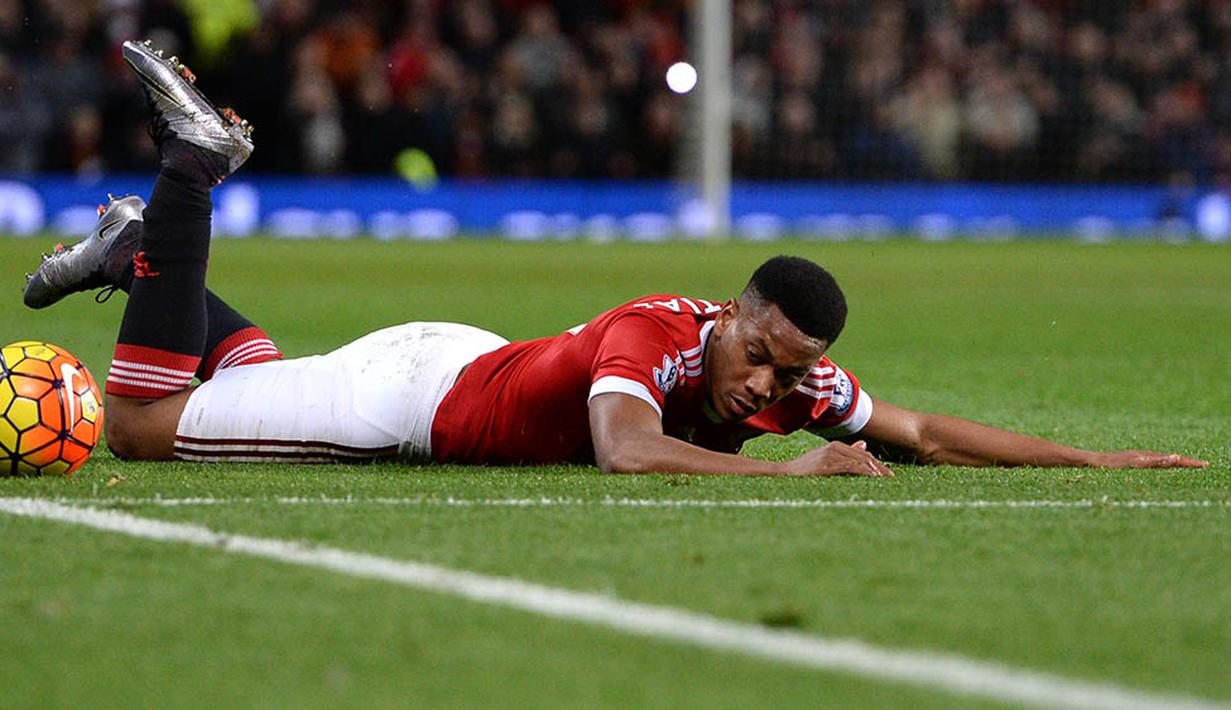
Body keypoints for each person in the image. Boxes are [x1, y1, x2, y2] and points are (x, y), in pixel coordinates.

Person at [24, 41, 1208, 477]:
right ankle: (187, 169)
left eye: (790, 378)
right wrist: (789, 475)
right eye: (759, 358)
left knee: (232, 376)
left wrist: (1091, 455)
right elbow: (626, 449)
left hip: (462, 360)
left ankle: (142, 249)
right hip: (407, 403)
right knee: (143, 426)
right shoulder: (657, 332)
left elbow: (925, 431)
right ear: (728, 317)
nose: (767, 390)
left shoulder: (791, 377)